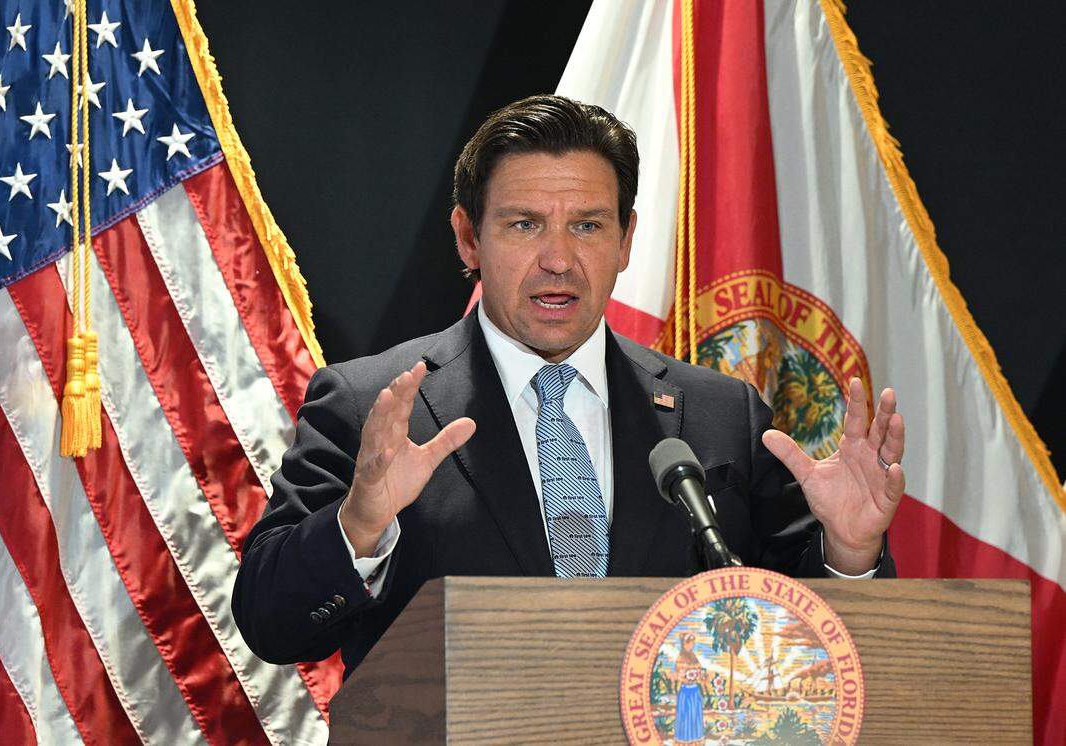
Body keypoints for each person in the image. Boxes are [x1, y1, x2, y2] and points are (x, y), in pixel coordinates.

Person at [231, 95, 905, 675]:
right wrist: (360, 525)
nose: (559, 259)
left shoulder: (718, 414)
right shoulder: (370, 404)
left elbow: (814, 656)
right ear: (468, 239)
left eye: (587, 225)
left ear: (625, 240)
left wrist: (849, 551)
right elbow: (271, 624)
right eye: (524, 225)